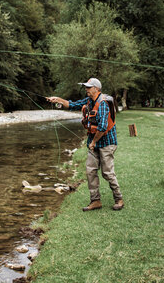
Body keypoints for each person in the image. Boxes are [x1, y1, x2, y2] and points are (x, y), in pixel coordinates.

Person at [47, 78, 124, 211]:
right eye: (86, 87)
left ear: (96, 88)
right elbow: (72, 105)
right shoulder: (88, 101)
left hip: (107, 143)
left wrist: (93, 142)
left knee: (107, 172)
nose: (86, 89)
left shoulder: (103, 103)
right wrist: (57, 99)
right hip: (93, 142)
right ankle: (95, 201)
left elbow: (102, 127)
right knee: (90, 171)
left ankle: (119, 198)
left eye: (88, 87)